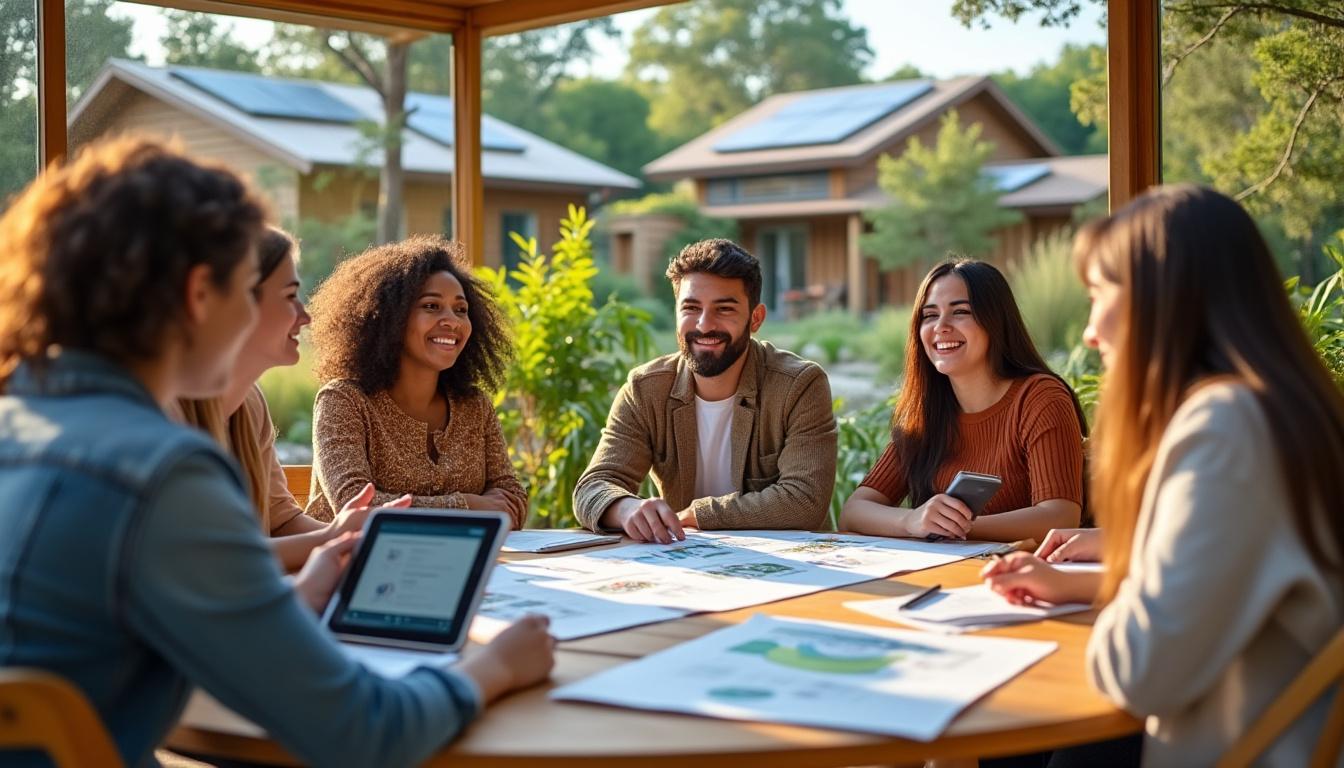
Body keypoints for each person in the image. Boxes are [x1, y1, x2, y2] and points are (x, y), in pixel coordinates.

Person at [0, 137, 553, 768]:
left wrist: (291, 599)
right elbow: (364, 733)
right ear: (197, 294)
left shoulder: (21, 424)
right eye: (246, 290)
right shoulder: (160, 472)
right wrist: (495, 667)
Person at [982, 185, 1344, 766]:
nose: (1089, 331)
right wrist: (1082, 582)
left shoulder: (1226, 427)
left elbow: (1136, 670)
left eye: (1098, 294)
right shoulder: (1279, 410)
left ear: (1161, 299)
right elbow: (1225, 582)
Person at [573, 238, 837, 543]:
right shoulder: (645, 389)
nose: (704, 324)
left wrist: (699, 515)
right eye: (691, 307)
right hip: (684, 567)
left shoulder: (799, 386)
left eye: (723, 309)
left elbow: (804, 501)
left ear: (756, 318)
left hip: (788, 567)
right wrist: (626, 508)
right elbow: (593, 486)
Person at [839, 259, 1086, 544]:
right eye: (930, 315)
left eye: (960, 312)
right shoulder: (927, 412)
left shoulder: (1040, 398)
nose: (941, 327)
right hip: (946, 574)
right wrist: (911, 520)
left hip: (1021, 577)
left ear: (995, 321)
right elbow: (854, 511)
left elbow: (1060, 516)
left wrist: (954, 526)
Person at [306, 235, 528, 528]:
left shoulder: (475, 406)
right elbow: (356, 507)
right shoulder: (343, 401)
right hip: (352, 566)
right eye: (432, 306)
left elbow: (512, 498)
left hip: (461, 563)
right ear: (390, 318)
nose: (453, 321)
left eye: (461, 309)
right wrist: (468, 505)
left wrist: (490, 507)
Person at [176, 226, 357, 572]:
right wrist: (340, 539)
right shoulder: (166, 414)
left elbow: (282, 522)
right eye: (290, 296)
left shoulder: (249, 403)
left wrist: (352, 540)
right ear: (237, 303)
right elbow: (205, 561)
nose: (306, 317)